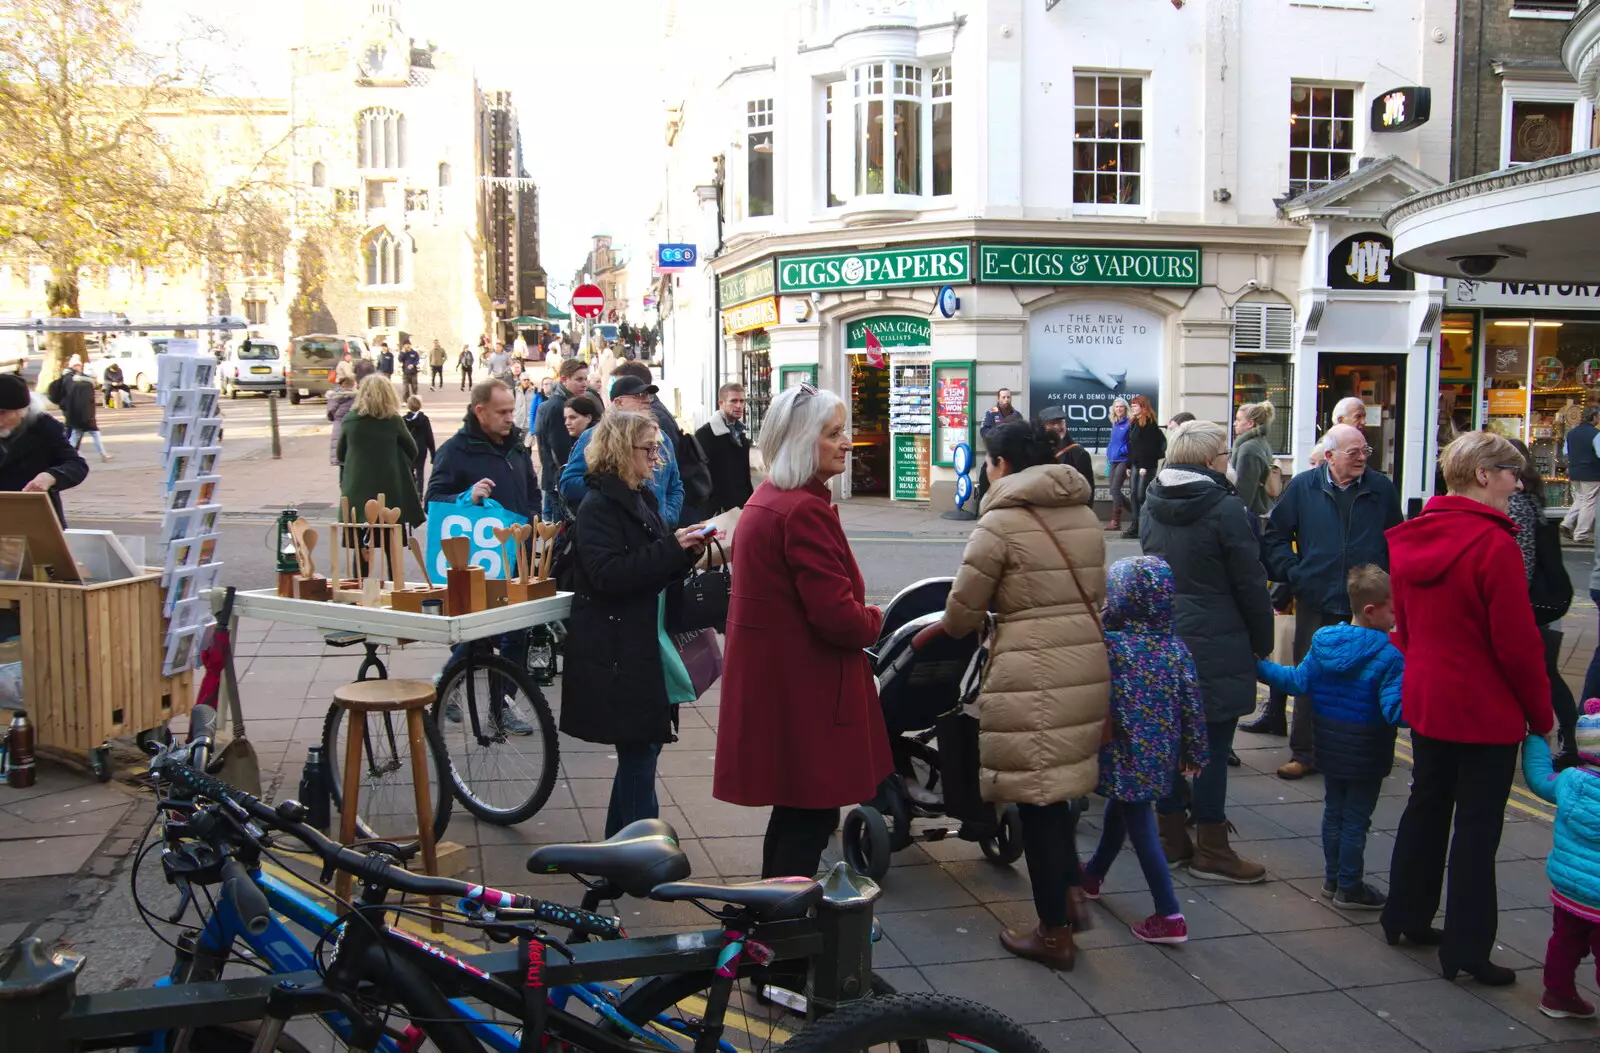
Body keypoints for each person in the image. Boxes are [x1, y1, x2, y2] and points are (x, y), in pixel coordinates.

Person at [713, 384, 892, 968]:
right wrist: (875, 618)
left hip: (785, 687)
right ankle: (779, 947)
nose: (848, 441)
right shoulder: (803, 510)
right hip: (808, 692)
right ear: (801, 441)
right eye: (834, 432)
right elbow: (838, 617)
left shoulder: (770, 501)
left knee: (794, 816)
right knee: (807, 820)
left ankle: (767, 929)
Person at [1381, 431, 1554, 985]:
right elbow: (1518, 644)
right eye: (1511, 472)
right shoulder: (1495, 543)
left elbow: (1401, 629)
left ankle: (1404, 914)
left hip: (1430, 695)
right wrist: (1542, 717)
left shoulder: (1411, 537)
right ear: (1484, 474)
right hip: (1484, 704)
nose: (1517, 482)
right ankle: (1467, 948)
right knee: (1478, 827)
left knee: (1427, 804)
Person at [938, 420, 1110, 969]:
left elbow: (962, 613)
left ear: (1003, 464)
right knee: (1056, 796)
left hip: (1034, 671)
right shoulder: (1084, 513)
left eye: (990, 461)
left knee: (1038, 803)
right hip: (1085, 663)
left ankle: (1054, 933)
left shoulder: (1002, 522)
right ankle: (1069, 893)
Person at [560, 411, 709, 838]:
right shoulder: (599, 505)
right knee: (640, 753)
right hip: (617, 652)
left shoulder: (635, 495)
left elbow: (650, 565)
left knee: (640, 753)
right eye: (649, 448)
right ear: (622, 451)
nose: (656, 457)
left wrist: (686, 549)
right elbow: (609, 575)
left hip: (638, 644)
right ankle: (643, 848)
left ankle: (617, 850)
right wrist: (673, 548)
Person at [1139, 420, 1275, 881]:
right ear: (1208, 461)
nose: (1228, 463)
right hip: (1219, 638)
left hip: (1164, 637)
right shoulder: (1226, 509)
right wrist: (1263, 643)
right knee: (1214, 746)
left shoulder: (1151, 502)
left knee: (1172, 740)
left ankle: (1170, 837)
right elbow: (1250, 583)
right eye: (1224, 456)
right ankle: (1214, 849)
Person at [1256, 424, 1402, 776]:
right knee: (1312, 673)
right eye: (1354, 453)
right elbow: (1275, 536)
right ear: (1330, 455)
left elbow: (1397, 539)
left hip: (1366, 602)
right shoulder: (1304, 486)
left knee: (1370, 674)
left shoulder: (1380, 487)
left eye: (1365, 450)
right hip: (1317, 596)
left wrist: (1388, 584)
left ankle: (1363, 750)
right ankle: (1304, 754)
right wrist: (1295, 572)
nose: (1363, 458)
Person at [1256, 565, 1403, 911]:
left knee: (1334, 813)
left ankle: (1332, 878)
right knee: (1356, 820)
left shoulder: (1323, 642)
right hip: (1367, 752)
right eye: (1393, 609)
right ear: (1371, 610)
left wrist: (1257, 666)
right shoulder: (1389, 656)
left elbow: (1296, 682)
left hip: (1328, 746)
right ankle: (1350, 886)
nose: (1397, 616)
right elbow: (1397, 713)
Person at [1080, 555, 1205, 946]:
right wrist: (1195, 751)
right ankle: (1093, 875)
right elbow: (1192, 704)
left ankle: (1169, 914)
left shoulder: (1112, 646)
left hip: (1123, 750)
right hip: (1158, 754)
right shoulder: (1175, 648)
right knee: (1126, 808)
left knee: (1142, 828)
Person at [425, 380, 542, 735]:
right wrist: (467, 496)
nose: (511, 418)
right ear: (481, 412)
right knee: (480, 637)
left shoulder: (517, 448)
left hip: (516, 556)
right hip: (479, 561)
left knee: (516, 634)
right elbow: (433, 501)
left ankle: (500, 705)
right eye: (503, 412)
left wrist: (534, 525)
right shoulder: (456, 451)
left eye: (512, 410)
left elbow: (531, 491)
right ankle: (446, 686)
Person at [1521, 702, 1600, 1020]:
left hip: (1568, 888)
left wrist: (1535, 739)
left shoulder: (1569, 781)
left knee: (1565, 941)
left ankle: (1557, 995)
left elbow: (1539, 777)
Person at [1508, 439, 1580, 765]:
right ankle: (1568, 739)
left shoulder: (1518, 504)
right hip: (1543, 604)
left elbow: (1520, 565)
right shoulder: (1530, 499)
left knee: (1544, 675)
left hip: (1530, 608)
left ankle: (1561, 740)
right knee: (1548, 674)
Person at [560, 375, 683, 527]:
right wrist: (613, 493)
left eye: (648, 396)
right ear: (618, 403)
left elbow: (675, 487)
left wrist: (665, 518)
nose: (646, 400)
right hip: (617, 532)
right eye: (638, 396)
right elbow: (568, 484)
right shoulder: (596, 436)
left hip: (657, 534)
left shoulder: (661, 438)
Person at [0, 372, 88, 525]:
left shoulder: (45, 428)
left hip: (34, 519)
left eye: (2, 413)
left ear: (22, 410)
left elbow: (77, 465)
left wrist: (51, 476)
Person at [337, 375, 423, 530]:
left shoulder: (350, 420)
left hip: (357, 491)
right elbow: (412, 449)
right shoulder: (393, 420)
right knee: (391, 545)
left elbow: (340, 454)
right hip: (390, 491)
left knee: (359, 547)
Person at [534, 358, 590, 520]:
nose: (584, 384)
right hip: (560, 482)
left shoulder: (564, 403)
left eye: (585, 379)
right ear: (564, 380)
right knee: (561, 534)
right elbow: (560, 450)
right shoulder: (558, 406)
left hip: (559, 480)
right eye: (579, 379)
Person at [695, 381, 754, 516]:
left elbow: (745, 478)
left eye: (742, 401)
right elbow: (700, 477)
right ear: (721, 403)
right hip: (716, 512)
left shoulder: (741, 437)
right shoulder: (705, 435)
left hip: (741, 508)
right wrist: (712, 508)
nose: (739, 405)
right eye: (733, 401)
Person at [51, 356, 110, 462]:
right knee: (80, 433)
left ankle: (71, 453)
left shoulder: (68, 378)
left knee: (76, 434)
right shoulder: (77, 381)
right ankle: (70, 454)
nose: (80, 367)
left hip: (73, 411)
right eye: (78, 365)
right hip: (80, 412)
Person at [1121, 394, 1165, 539]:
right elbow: (1132, 446)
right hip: (1135, 464)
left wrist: (1144, 466)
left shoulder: (1149, 423)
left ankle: (1148, 525)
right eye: (1132, 405)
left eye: (1135, 405)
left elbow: (1149, 447)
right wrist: (1128, 464)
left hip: (1146, 465)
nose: (1132, 408)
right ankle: (1135, 526)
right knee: (1134, 494)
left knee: (1142, 495)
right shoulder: (1133, 422)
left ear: (1143, 406)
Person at [1232, 400, 1276, 517]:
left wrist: (1235, 515)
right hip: (1259, 511)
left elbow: (1244, 490)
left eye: (1238, 419)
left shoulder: (1249, 448)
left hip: (1252, 513)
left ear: (1250, 423)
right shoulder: (1259, 443)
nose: (1234, 423)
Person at [1563, 405, 1600, 544]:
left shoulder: (1572, 433)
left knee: (1581, 498)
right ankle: (1581, 533)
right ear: (1594, 417)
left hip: (1575, 470)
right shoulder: (1596, 434)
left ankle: (1567, 523)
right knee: (1589, 502)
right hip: (1591, 472)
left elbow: (1566, 452)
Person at [1038, 405, 1094, 491]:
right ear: (1043, 427)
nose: (1057, 427)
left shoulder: (1079, 453)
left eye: (1060, 422)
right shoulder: (1038, 451)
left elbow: (1088, 488)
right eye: (1052, 423)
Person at [1105, 397, 1131, 532]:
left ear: (1126, 409)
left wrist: (1122, 450)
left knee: (1115, 489)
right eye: (1116, 407)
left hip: (1123, 460)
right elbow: (1113, 442)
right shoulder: (1115, 423)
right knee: (1113, 490)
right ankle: (1136, 512)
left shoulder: (1130, 423)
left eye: (1121, 406)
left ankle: (1115, 522)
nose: (1119, 409)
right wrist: (1108, 454)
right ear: (1113, 409)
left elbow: (1131, 443)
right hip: (1112, 459)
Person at [403, 396, 435, 497]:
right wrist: (433, 453)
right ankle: (420, 494)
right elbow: (429, 437)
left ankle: (411, 491)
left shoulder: (404, 419)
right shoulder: (424, 419)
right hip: (421, 448)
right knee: (420, 471)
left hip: (408, 448)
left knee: (410, 471)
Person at [326, 374, 357, 471]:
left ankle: (341, 480)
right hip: (353, 427)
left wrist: (334, 418)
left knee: (339, 453)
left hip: (338, 425)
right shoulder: (357, 397)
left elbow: (330, 412)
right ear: (353, 385)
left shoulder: (334, 397)